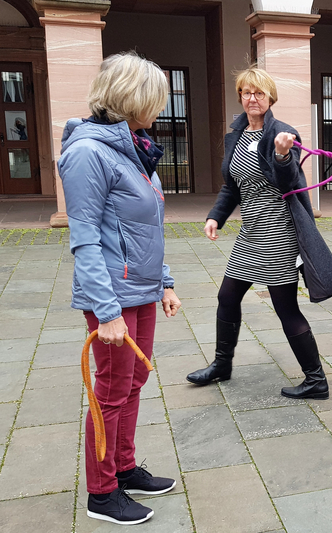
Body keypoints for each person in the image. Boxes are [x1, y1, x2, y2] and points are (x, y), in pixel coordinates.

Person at [59, 51, 182, 525]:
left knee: (135, 381)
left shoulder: (136, 148)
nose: (161, 107)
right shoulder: (89, 153)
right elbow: (85, 238)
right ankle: (102, 492)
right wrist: (106, 310)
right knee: (110, 391)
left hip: (142, 291)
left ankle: (124, 467)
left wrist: (165, 282)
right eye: (157, 98)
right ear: (134, 98)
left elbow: (149, 227)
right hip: (112, 295)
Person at [186, 66, 332, 399]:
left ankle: (316, 380)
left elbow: (289, 181)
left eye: (258, 93)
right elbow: (232, 185)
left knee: (285, 307)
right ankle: (221, 365)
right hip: (250, 231)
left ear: (270, 97)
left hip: (279, 230)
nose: (251, 98)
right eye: (245, 92)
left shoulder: (284, 133)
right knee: (227, 297)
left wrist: (282, 153)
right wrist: (216, 216)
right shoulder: (237, 135)